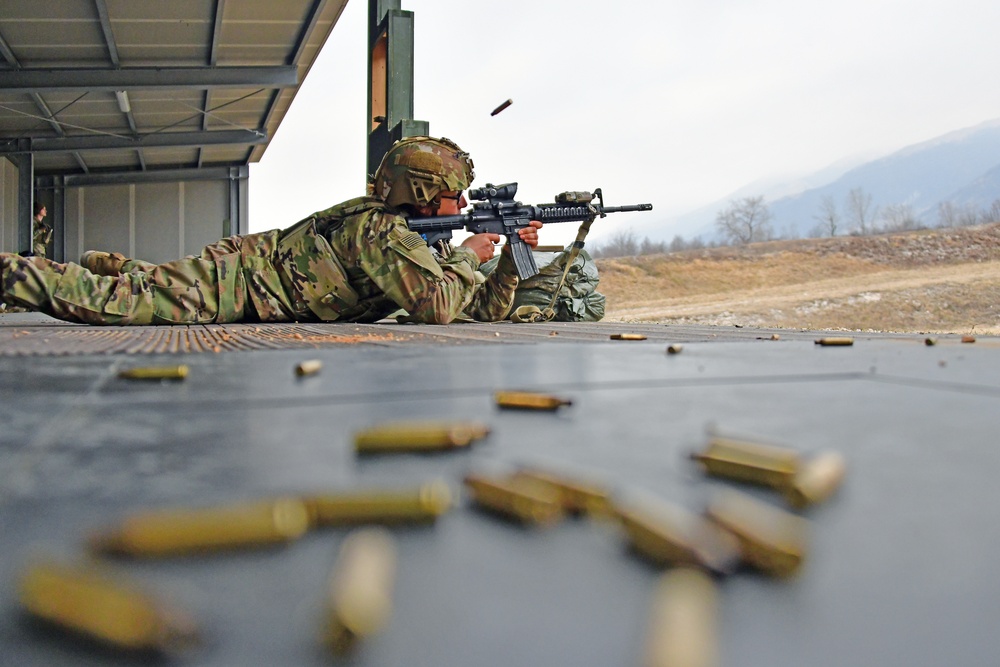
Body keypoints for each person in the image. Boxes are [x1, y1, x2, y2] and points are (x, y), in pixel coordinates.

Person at [0, 136, 542, 325]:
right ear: (421, 192)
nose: (464, 204)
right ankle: (11, 273)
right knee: (120, 305)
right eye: (454, 194)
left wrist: (508, 259)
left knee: (143, 286)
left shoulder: (420, 239)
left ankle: (118, 265)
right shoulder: (383, 234)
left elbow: (482, 312)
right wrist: (472, 255)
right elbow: (439, 308)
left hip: (255, 285)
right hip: (239, 282)